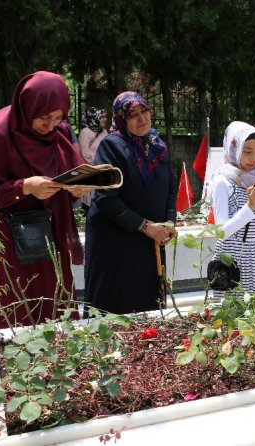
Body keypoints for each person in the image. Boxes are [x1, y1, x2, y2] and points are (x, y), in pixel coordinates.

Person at [0, 71, 88, 331]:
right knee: (11, 315)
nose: (51, 125)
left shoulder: (55, 135)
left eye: (58, 118)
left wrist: (74, 189)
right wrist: (23, 187)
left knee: (53, 312)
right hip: (5, 246)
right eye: (45, 117)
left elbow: (68, 171)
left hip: (47, 240)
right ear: (27, 106)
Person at [84, 92, 177, 315]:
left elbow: (170, 187)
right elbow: (107, 199)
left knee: (149, 306)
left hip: (150, 241)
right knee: (116, 309)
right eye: (132, 115)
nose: (141, 119)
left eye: (144, 111)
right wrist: (146, 227)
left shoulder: (156, 144)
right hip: (116, 243)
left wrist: (169, 222)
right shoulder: (112, 146)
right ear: (121, 119)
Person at [209, 121, 255, 297]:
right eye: (247, 151)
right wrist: (250, 206)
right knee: (232, 315)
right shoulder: (222, 181)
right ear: (235, 148)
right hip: (232, 258)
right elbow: (222, 231)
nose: (253, 158)